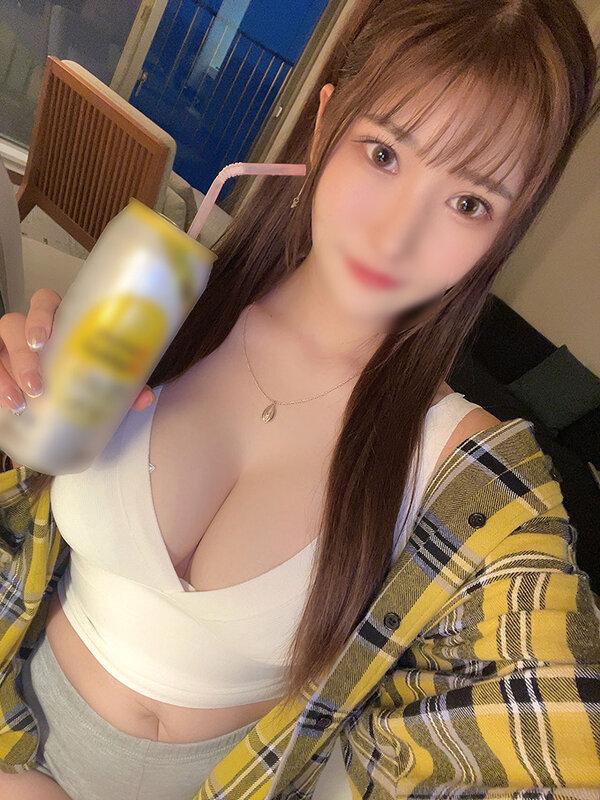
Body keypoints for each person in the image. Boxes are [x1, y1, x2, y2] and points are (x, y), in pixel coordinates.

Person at [1, 0, 599, 798]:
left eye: (469, 203)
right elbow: (24, 524)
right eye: (384, 153)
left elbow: (545, 733)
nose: (395, 234)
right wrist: (16, 403)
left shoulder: (475, 486)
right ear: (324, 127)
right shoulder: (159, 306)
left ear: (507, 228)